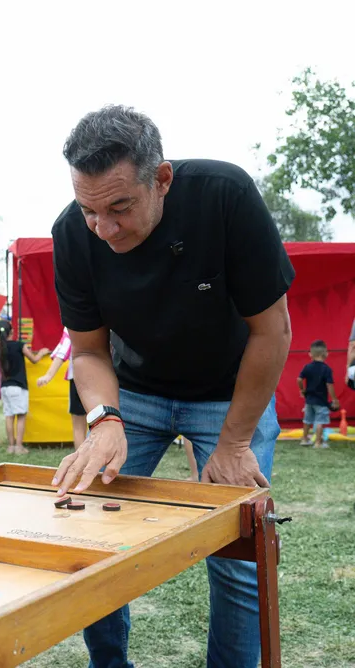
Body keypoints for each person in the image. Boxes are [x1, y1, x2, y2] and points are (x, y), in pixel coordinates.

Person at [50, 105, 293, 668]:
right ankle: (108, 664)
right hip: (132, 391)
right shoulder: (72, 231)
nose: (103, 228)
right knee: (91, 532)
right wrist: (105, 420)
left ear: (161, 180)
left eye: (119, 207)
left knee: (237, 554)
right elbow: (87, 351)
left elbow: (273, 330)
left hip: (229, 394)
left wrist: (233, 443)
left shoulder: (224, 194)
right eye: (90, 209)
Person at [0, 320, 49, 454]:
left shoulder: (0, 347)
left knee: (9, 416)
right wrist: (42, 352)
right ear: (12, 331)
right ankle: (19, 446)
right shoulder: (19, 345)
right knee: (21, 416)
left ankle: (11, 446)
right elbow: (34, 360)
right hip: (18, 387)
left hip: (5, 387)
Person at [37, 327, 86, 450]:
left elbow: (64, 348)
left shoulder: (74, 320)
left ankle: (81, 463)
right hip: (103, 378)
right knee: (100, 424)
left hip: (78, 379)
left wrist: (49, 375)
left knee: (79, 426)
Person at [298, 339, 339, 448]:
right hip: (321, 401)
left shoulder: (307, 367)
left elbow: (299, 379)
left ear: (311, 354)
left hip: (309, 400)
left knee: (307, 420)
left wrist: (302, 390)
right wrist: (334, 400)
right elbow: (329, 385)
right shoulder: (327, 369)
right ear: (324, 353)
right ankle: (318, 443)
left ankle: (304, 439)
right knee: (320, 421)